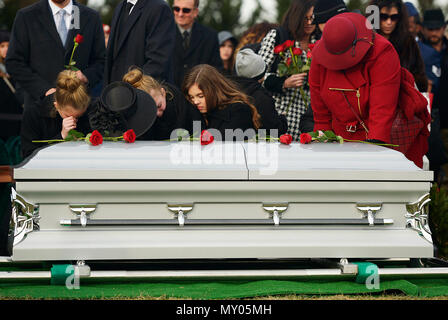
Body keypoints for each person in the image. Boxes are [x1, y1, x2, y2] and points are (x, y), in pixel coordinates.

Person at [310, 12, 429, 168]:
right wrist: (323, 149)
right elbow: (321, 114)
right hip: (341, 138)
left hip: (383, 137)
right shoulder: (320, 57)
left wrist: (372, 156)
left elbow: (382, 110)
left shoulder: (382, 52)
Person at [6, 0, 105, 112]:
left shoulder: (91, 17)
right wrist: (44, 90)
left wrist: (86, 76)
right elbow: (14, 62)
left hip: (80, 111)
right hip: (38, 110)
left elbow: (101, 60)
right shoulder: (27, 16)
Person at [258, 0, 317, 140]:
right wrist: (283, 83)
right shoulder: (278, 36)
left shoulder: (319, 42)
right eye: (305, 19)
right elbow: (257, 76)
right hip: (278, 114)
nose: (309, 23)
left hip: (307, 120)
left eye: (313, 18)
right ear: (296, 17)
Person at [20, 70, 93, 159]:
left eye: (78, 116)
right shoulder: (34, 114)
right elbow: (28, 155)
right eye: (68, 116)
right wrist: (61, 136)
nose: (73, 120)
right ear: (57, 105)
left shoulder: (90, 110)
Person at [182, 64, 261, 140]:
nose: (195, 102)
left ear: (214, 90)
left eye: (201, 96)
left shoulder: (238, 111)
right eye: (191, 97)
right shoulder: (194, 113)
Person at [105, 0, 176, 84]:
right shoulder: (120, 7)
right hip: (115, 91)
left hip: (139, 93)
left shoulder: (159, 8)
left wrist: (131, 92)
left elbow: (157, 63)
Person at [122, 68, 199, 139]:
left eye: (159, 105)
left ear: (163, 93)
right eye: (150, 111)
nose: (157, 113)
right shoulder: (137, 119)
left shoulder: (180, 104)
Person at [368, 0, 428, 92]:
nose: (389, 22)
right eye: (383, 17)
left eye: (394, 17)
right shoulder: (367, 41)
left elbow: (421, 79)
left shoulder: (408, 42)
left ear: (400, 18)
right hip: (373, 98)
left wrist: (402, 80)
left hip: (401, 99)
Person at [232, 48, 288, 135]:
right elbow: (275, 129)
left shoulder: (229, 92)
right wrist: (283, 119)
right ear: (260, 76)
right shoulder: (262, 98)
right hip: (258, 146)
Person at [420, 9, 448, 182]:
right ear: (423, 28)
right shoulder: (417, 51)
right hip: (427, 122)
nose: (434, 32)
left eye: (437, 28)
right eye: (430, 28)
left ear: (444, 27)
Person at [171, 0, 222, 88]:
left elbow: (216, 70)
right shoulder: (161, 34)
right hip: (169, 95)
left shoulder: (210, 36)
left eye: (186, 10)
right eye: (176, 9)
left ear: (195, 12)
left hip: (199, 95)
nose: (180, 14)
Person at [0, 30, 22, 142]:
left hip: (17, 120)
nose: (5, 49)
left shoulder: (18, 67)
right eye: (2, 46)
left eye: (8, 45)